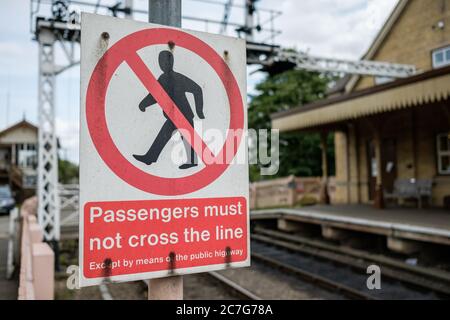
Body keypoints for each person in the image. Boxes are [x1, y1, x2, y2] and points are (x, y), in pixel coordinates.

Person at [133, 50, 204, 169]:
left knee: (187, 138)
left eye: (166, 61)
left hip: (184, 115)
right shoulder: (162, 78)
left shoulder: (178, 77)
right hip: (173, 115)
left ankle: (191, 160)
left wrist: (199, 111)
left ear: (172, 62)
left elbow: (197, 89)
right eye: (161, 62)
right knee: (165, 136)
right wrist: (143, 104)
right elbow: (155, 95)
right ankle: (150, 157)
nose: (163, 64)